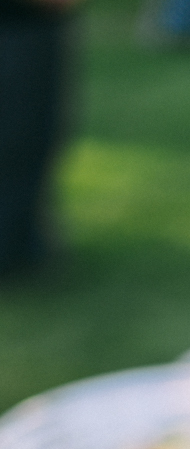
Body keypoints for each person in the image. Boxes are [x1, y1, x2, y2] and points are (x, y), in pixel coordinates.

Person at [0, 0, 80, 277]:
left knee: (31, 140)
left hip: (29, 24)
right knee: (18, 140)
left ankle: (22, 244)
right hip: (18, 25)